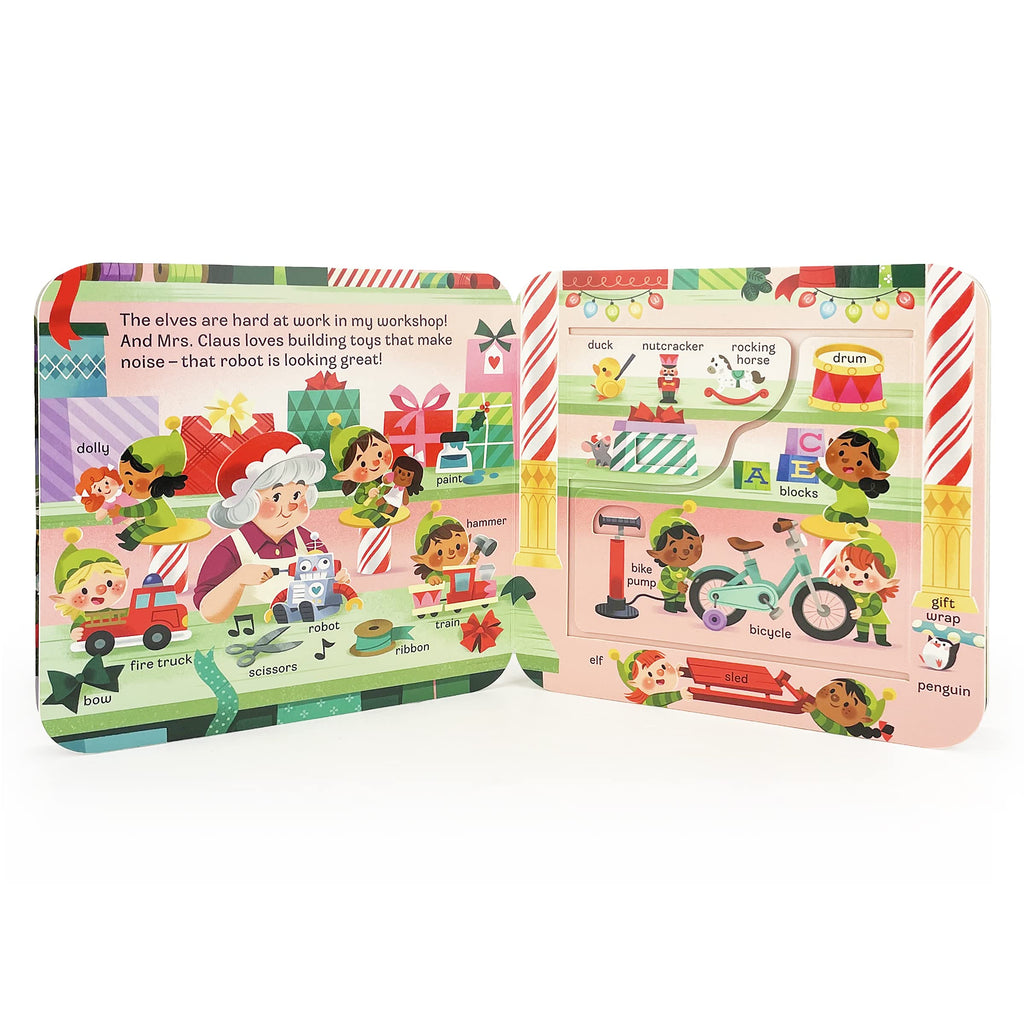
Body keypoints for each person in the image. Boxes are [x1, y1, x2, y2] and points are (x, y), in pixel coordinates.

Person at [194, 431, 327, 623]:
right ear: (248, 504)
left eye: (297, 495)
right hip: (249, 628)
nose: (290, 506)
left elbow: (324, 580)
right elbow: (209, 613)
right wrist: (237, 579)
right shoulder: (229, 550)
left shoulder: (308, 540)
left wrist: (334, 579)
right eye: (276, 497)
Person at [109, 417, 189, 549]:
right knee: (137, 524)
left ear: (158, 472)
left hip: (162, 524)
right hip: (154, 521)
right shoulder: (153, 500)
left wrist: (121, 511)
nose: (125, 490)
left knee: (141, 530)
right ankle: (124, 535)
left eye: (130, 481)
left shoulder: (153, 503)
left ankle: (129, 544)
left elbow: (138, 510)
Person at [811, 418, 899, 527]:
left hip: (845, 508)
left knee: (829, 514)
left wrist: (817, 469)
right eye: (841, 452)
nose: (845, 460)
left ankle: (847, 518)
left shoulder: (841, 483)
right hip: (863, 510)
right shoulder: (864, 485)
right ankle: (859, 518)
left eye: (859, 462)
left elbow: (828, 479)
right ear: (830, 443)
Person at [48, 527, 130, 641]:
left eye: (109, 583)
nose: (101, 590)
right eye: (84, 591)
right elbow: (78, 623)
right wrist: (74, 632)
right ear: (62, 598)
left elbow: (126, 613)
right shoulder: (84, 616)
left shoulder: (112, 613)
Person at [832, 531, 900, 646]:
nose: (853, 575)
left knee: (878, 627)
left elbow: (875, 608)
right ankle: (862, 638)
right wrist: (837, 580)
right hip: (860, 615)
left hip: (875, 616)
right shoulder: (852, 590)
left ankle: (881, 640)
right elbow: (842, 592)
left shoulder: (872, 596)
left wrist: (862, 612)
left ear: (887, 582)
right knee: (862, 625)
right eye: (847, 568)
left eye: (866, 575)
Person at [328, 415, 397, 526]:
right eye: (363, 463)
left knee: (386, 507)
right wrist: (368, 494)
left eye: (379, 454)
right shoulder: (364, 486)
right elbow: (358, 498)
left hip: (374, 504)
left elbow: (382, 489)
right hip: (362, 510)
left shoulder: (376, 482)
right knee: (372, 514)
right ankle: (380, 522)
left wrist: (391, 490)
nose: (376, 462)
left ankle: (393, 513)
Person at [646, 503, 703, 613]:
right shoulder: (668, 570)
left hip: (681, 589)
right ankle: (670, 607)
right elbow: (666, 581)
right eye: (675, 550)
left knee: (681, 598)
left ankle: (680, 606)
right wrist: (676, 586)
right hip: (668, 589)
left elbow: (691, 575)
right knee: (671, 599)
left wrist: (698, 578)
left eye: (691, 546)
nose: (685, 552)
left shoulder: (685, 568)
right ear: (656, 554)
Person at [801, 678, 896, 740]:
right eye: (832, 690)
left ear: (863, 719)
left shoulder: (842, 731)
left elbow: (828, 725)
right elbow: (818, 703)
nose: (834, 697)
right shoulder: (820, 705)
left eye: (846, 704)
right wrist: (804, 695)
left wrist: (814, 712)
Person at [411, 501, 478, 585]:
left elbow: (464, 577)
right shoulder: (435, 574)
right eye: (440, 552)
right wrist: (432, 579)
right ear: (421, 559)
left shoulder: (456, 569)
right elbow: (430, 579)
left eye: (458, 546)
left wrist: (470, 563)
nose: (451, 552)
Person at [608, 649, 691, 707]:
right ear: (635, 683)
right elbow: (659, 698)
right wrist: (679, 695)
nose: (660, 673)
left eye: (663, 667)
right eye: (650, 674)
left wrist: (675, 674)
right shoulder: (649, 701)